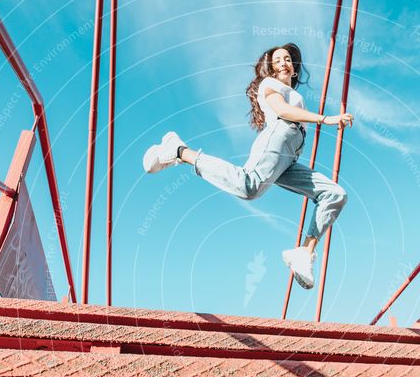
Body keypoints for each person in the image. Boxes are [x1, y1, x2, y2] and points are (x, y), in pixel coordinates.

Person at [142, 42, 353, 289]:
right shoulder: (270, 85)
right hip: (279, 137)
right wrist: (325, 119)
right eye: (277, 61)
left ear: (294, 69)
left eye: (287, 59)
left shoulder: (295, 94)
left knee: (335, 194)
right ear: (272, 69)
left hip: (291, 153)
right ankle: (179, 150)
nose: (283, 63)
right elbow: (283, 111)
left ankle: (305, 253)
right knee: (248, 187)